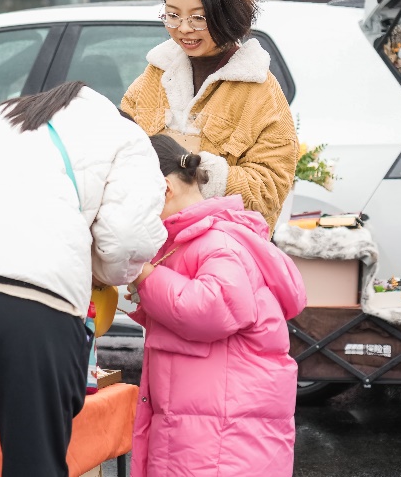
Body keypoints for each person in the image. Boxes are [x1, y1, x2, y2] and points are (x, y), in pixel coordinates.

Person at [0, 81, 169, 477]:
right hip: (34, 302)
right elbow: (127, 240)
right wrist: (100, 272)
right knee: (33, 462)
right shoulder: (124, 135)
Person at [127, 134, 306, 477]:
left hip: (221, 445)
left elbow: (213, 307)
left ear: (164, 189)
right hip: (209, 434)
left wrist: (144, 273)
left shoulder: (217, 242)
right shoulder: (195, 239)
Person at [121, 0, 297, 233]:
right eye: (172, 16)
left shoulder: (261, 92)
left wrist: (198, 170)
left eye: (198, 18)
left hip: (218, 255)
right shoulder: (155, 74)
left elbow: (270, 192)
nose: (184, 29)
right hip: (151, 248)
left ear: (227, 13)